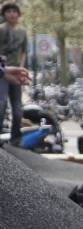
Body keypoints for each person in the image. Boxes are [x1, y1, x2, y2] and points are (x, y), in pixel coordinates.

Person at [0, 2, 27, 146]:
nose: (12, 14)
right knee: (1, 103)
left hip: (16, 72)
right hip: (3, 71)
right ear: (4, 14)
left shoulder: (23, 31)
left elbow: (23, 52)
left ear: (18, 14)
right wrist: (4, 71)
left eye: (14, 11)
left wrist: (21, 69)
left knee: (17, 108)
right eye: (8, 11)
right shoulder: (1, 29)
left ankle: (16, 138)